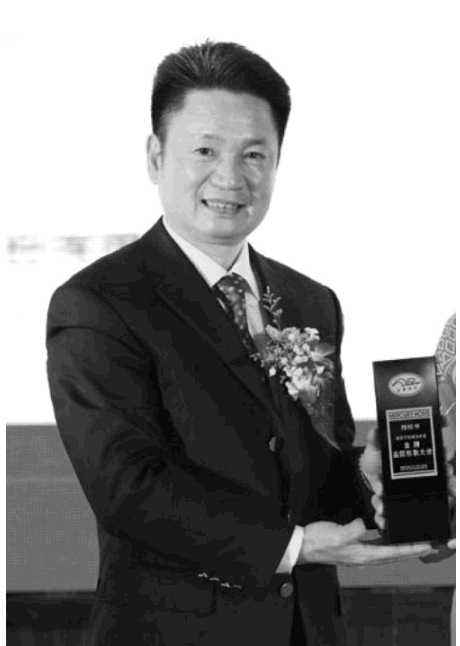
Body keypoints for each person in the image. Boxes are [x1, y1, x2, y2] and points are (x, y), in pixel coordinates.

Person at [46, 41, 437, 646]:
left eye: (254, 154)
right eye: (205, 150)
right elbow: (128, 487)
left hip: (308, 630)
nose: (230, 178)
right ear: (155, 157)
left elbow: (318, 467)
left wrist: (370, 476)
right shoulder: (99, 303)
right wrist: (294, 546)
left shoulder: (311, 301)